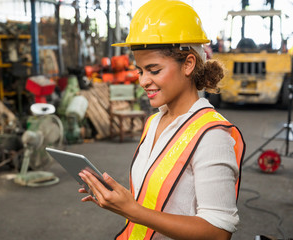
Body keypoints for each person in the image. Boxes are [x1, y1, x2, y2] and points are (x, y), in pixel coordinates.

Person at [78, 0, 245, 239]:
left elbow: (218, 233)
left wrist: (133, 210)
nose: (143, 81)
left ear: (188, 64)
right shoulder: (155, 122)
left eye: (154, 70)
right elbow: (154, 200)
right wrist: (118, 200)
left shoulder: (212, 136)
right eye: (140, 71)